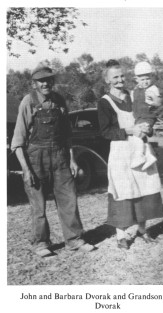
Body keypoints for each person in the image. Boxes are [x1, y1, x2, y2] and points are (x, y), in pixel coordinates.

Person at [11, 65, 94, 256]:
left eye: (49, 79)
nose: (46, 83)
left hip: (60, 157)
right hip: (35, 159)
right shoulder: (28, 102)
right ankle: (40, 243)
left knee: (69, 199)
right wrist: (26, 170)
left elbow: (67, 135)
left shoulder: (59, 101)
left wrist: (72, 160)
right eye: (41, 80)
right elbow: (17, 142)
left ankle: (74, 240)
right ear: (34, 83)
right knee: (38, 204)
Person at [97, 60, 163, 250]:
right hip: (120, 151)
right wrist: (130, 130)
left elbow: (149, 114)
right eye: (115, 77)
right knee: (123, 190)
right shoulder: (105, 102)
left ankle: (142, 230)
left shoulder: (134, 94)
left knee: (145, 186)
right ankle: (121, 235)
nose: (119, 80)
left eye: (121, 76)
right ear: (107, 80)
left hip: (140, 147)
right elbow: (105, 132)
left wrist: (147, 128)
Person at [129, 61, 161, 169]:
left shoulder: (153, 89)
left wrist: (154, 99)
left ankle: (140, 156)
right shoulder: (135, 90)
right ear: (136, 79)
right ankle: (149, 155)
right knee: (139, 137)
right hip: (138, 117)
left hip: (148, 116)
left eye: (148, 78)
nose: (146, 81)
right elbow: (132, 103)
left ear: (151, 77)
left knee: (138, 134)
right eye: (142, 79)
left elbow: (158, 103)